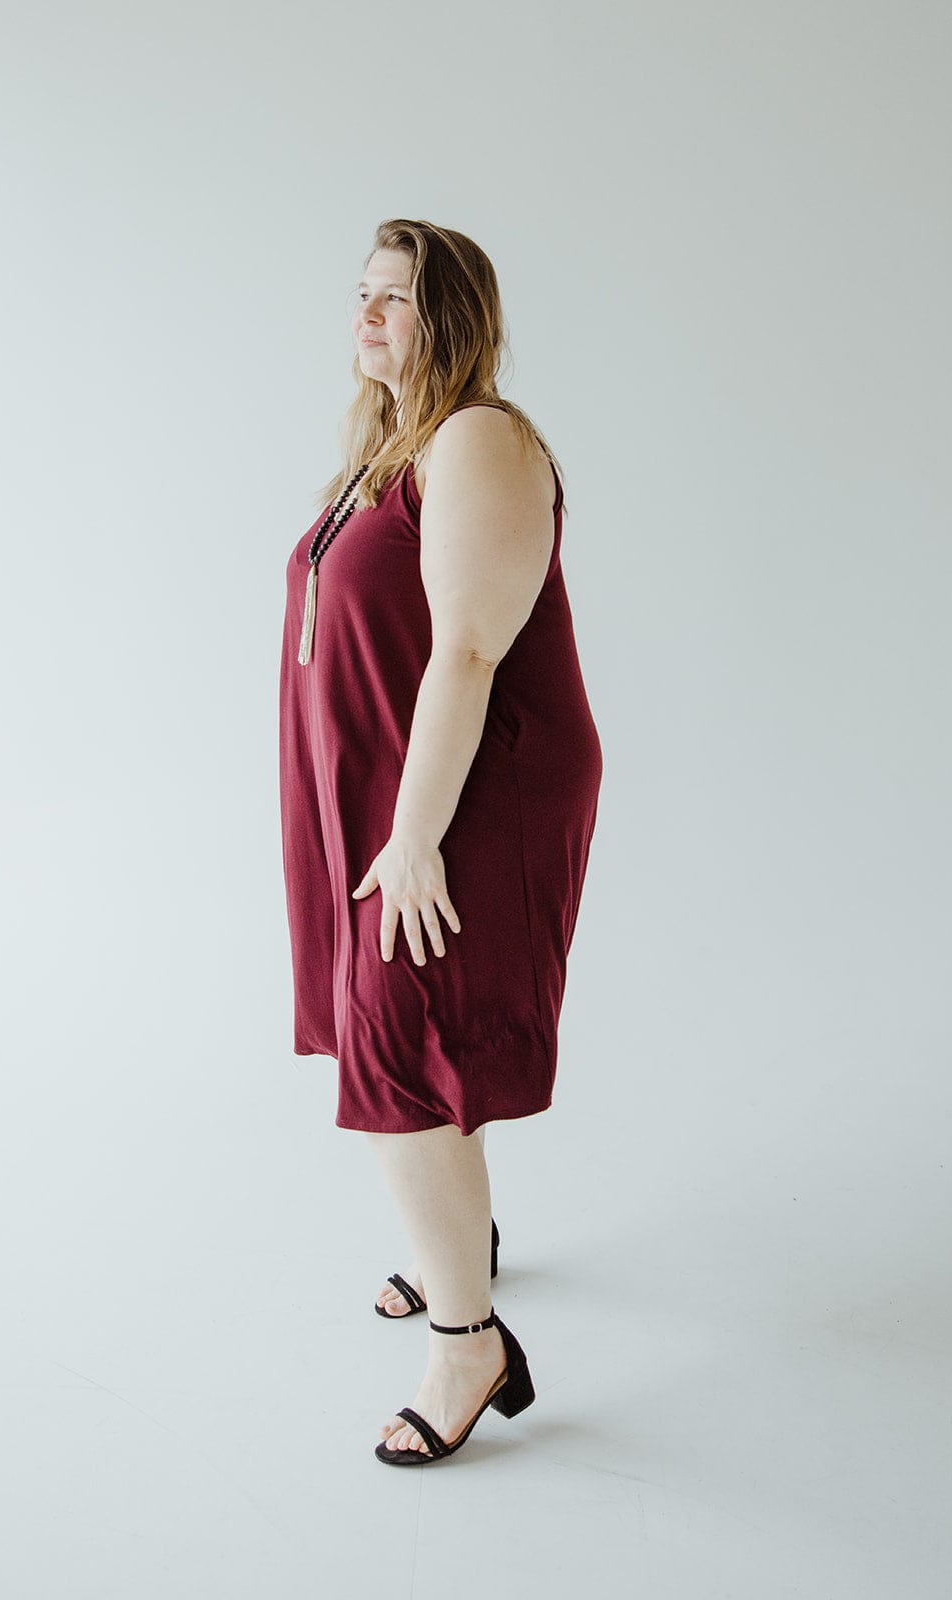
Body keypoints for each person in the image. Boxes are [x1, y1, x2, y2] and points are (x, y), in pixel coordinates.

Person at [278, 218, 602, 1465]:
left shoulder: (478, 439)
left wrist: (414, 838)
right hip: (389, 782)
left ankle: (471, 1338)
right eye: (358, 294)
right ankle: (455, 1245)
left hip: (473, 790)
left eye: (394, 299)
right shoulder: (386, 449)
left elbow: (467, 647)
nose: (364, 316)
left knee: (404, 1036)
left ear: (452, 314)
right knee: (397, 1019)